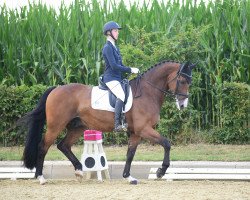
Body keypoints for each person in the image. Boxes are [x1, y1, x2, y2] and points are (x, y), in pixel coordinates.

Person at [102, 21, 139, 132]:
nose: (117, 33)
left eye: (117, 31)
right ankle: (117, 124)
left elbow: (120, 65)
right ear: (109, 33)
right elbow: (114, 66)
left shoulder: (115, 47)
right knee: (121, 96)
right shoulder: (107, 47)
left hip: (117, 78)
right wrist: (130, 69)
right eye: (115, 31)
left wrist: (130, 71)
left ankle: (125, 119)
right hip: (110, 78)